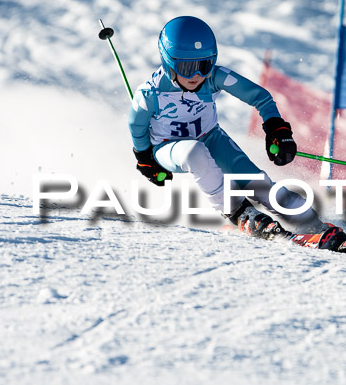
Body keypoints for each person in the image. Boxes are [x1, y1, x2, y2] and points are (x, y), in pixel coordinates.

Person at [128, 15, 326, 238]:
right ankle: (238, 212)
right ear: (168, 62)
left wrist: (276, 128)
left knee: (258, 184)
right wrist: (145, 159)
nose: (196, 75)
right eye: (186, 67)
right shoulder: (149, 94)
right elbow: (137, 127)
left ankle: (310, 222)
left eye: (204, 65)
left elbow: (260, 97)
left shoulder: (213, 77)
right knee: (194, 152)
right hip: (168, 147)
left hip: (211, 138)